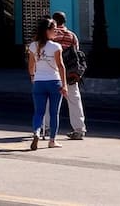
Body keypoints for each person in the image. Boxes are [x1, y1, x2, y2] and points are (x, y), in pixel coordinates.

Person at [26, 17, 68, 151]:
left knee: (38, 112)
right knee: (54, 112)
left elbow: (31, 65)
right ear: (47, 31)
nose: (56, 32)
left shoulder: (33, 45)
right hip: (54, 82)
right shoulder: (56, 46)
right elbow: (61, 66)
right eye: (54, 29)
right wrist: (64, 84)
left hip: (39, 81)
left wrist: (33, 76)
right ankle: (52, 140)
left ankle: (37, 131)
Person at [50, 12, 87, 140]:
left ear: (54, 21)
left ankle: (46, 128)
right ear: (64, 21)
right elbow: (76, 54)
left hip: (54, 73)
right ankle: (79, 129)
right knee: (75, 100)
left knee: (49, 101)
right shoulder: (72, 36)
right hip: (70, 74)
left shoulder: (52, 36)